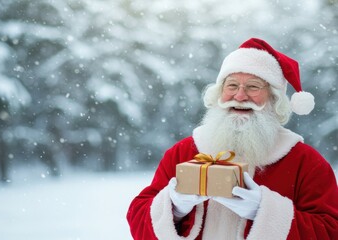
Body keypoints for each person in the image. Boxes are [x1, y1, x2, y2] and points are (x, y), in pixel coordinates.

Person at [126, 38, 338, 240]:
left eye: (253, 86)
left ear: (274, 99)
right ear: (219, 93)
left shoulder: (306, 162)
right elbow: (138, 218)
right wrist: (173, 207)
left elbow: (330, 231)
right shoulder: (183, 152)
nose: (240, 96)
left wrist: (265, 212)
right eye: (232, 85)